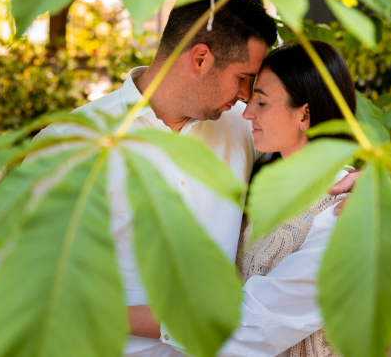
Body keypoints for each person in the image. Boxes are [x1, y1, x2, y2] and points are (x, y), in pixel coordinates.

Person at [0, 0, 359, 356]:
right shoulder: (67, 144)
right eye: (243, 78)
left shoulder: (241, 128)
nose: (247, 98)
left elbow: (313, 150)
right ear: (200, 59)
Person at [128, 41, 356, 357]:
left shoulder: (342, 212)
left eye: (261, 103)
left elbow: (251, 323)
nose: (246, 112)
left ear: (304, 115)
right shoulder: (268, 182)